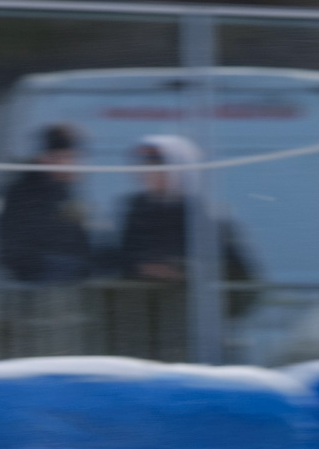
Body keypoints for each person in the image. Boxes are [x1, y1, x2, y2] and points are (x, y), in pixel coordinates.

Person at [101, 134, 254, 359]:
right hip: (137, 339)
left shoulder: (205, 218)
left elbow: (242, 281)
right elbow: (116, 262)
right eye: (145, 168)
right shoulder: (133, 212)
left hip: (189, 339)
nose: (149, 175)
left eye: (158, 167)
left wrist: (184, 274)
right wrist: (137, 271)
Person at [0, 124, 95, 285]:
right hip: (38, 282)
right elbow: (26, 247)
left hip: (58, 279)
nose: (75, 165)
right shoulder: (26, 192)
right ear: (47, 159)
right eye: (69, 158)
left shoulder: (63, 192)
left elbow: (79, 243)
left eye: (74, 158)